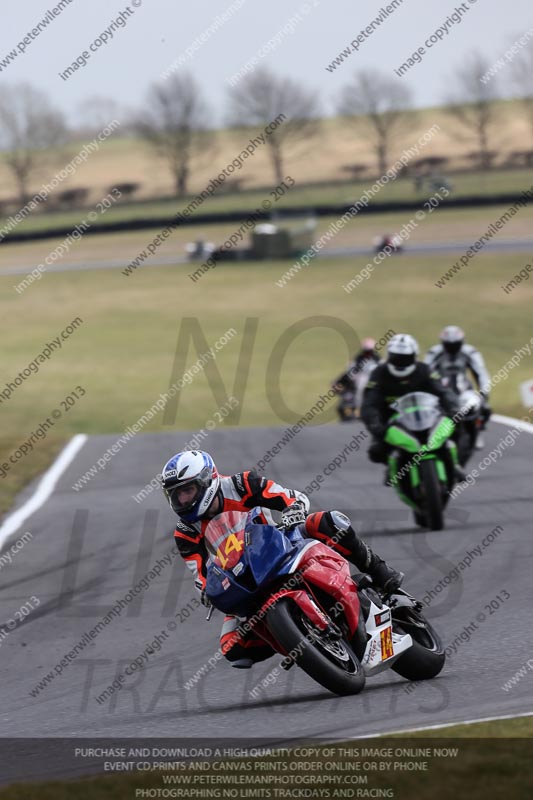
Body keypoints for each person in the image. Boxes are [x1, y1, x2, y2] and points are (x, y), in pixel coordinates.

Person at [161, 450, 403, 668]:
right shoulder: (186, 532)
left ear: (206, 480)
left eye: (187, 490)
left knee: (328, 522)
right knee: (231, 647)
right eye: (175, 494)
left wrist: (294, 510)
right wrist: (206, 590)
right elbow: (200, 573)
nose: (182, 500)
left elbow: (290, 497)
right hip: (241, 576)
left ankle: (383, 575)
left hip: (281, 541)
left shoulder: (242, 484)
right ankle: (297, 640)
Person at [360, 333, 464, 480]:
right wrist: (374, 424)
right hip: (392, 420)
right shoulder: (379, 373)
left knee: (456, 425)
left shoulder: (424, 370)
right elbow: (369, 403)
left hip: (427, 414)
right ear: (389, 355)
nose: (400, 362)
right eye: (396, 357)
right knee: (376, 452)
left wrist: (453, 409)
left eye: (405, 357)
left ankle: (454, 464)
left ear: (414, 355)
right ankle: (392, 464)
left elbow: (443, 391)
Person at [424, 325, 491, 447]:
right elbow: (425, 372)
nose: (452, 348)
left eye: (455, 344)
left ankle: (477, 432)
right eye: (449, 345)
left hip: (464, 391)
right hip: (441, 391)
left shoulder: (470, 352)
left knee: (485, 408)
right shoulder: (435, 352)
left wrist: (484, 392)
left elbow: (481, 372)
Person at [332, 338, 380, 421]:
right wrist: (338, 384)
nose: (368, 354)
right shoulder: (356, 362)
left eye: (370, 351)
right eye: (366, 351)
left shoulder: (379, 362)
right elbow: (348, 376)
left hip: (374, 392)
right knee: (345, 407)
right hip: (354, 395)